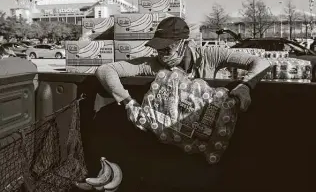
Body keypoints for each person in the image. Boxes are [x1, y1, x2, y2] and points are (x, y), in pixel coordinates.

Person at [95, 17, 271, 124]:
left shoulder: (211, 55)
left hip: (209, 125)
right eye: (158, 49)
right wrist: (127, 101)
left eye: (166, 49)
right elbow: (105, 70)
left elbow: (260, 62)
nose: (161, 54)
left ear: (182, 43)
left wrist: (245, 86)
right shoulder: (153, 64)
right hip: (174, 134)